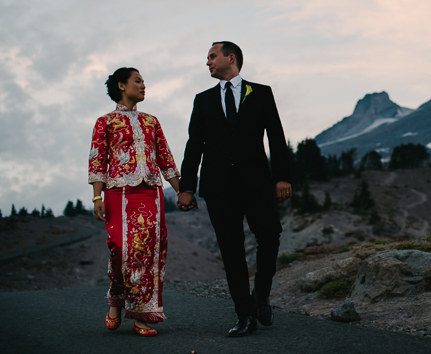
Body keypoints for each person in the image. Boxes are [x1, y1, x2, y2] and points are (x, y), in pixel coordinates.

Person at [178, 41, 292, 337]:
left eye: (212, 56)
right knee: (231, 251)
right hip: (218, 188)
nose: (207, 62)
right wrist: (187, 187)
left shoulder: (262, 93)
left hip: (257, 183)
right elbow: (194, 145)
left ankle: (262, 294)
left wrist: (281, 177)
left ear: (231, 58)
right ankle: (245, 315)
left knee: (270, 236)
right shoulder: (202, 100)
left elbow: (276, 136)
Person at [89, 67, 182, 337]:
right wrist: (97, 196)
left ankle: (140, 315)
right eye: (138, 81)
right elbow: (97, 160)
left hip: (150, 193)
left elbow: (165, 158)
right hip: (118, 193)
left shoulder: (152, 121)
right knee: (120, 248)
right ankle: (116, 298)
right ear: (121, 85)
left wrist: (180, 191)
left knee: (148, 253)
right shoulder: (104, 122)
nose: (143, 86)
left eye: (144, 82)